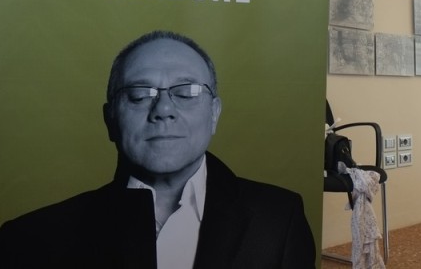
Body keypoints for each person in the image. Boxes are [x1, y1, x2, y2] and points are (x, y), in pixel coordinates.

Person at [0, 30, 316, 268]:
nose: (163, 109)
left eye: (187, 92)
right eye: (139, 95)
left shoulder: (278, 220)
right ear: (110, 119)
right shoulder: (33, 237)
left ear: (214, 113)